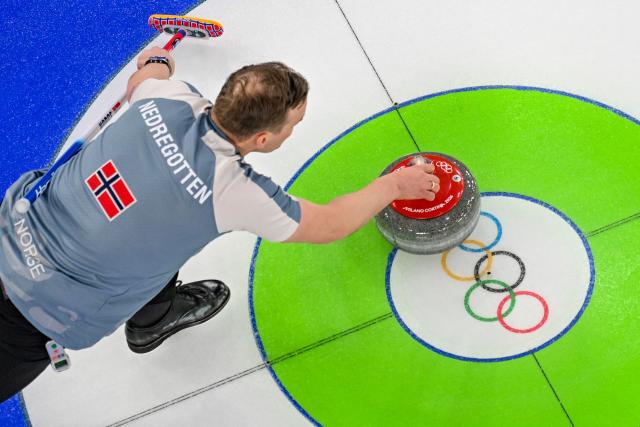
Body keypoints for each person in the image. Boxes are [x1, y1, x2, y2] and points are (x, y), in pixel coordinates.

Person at [0, 47, 440, 403]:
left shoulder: (167, 96)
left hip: (14, 231)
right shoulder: (234, 190)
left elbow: (143, 76)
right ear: (263, 139)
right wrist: (395, 185)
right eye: (294, 124)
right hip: (33, 311)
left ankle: (154, 317)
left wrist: (157, 60)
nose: (293, 131)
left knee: (159, 239)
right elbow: (328, 225)